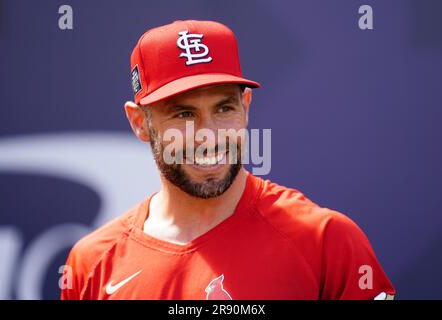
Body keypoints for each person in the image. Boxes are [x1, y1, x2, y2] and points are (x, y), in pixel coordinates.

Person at [61, 20, 395, 300]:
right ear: (139, 123)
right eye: (183, 113)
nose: (209, 134)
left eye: (224, 108)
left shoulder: (326, 241)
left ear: (246, 106)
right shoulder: (92, 262)